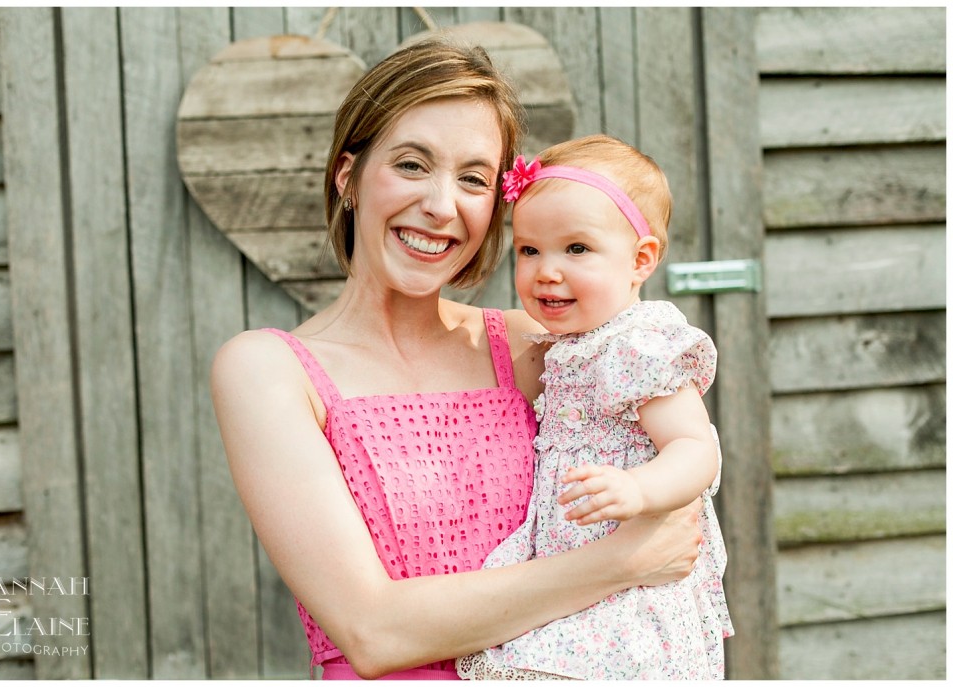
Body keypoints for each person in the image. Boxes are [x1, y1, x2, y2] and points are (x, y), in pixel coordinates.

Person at [211, 39, 702, 681]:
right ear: (347, 175)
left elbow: (682, 485)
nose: (442, 205)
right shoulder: (271, 371)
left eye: (473, 178)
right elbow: (373, 630)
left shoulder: (543, 347)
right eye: (412, 165)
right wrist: (621, 562)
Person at [455, 135, 735, 681]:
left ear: (640, 260)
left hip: (633, 571)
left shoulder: (639, 346)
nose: (547, 271)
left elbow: (694, 448)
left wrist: (641, 489)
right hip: (570, 560)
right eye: (530, 250)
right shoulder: (564, 347)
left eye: (576, 249)